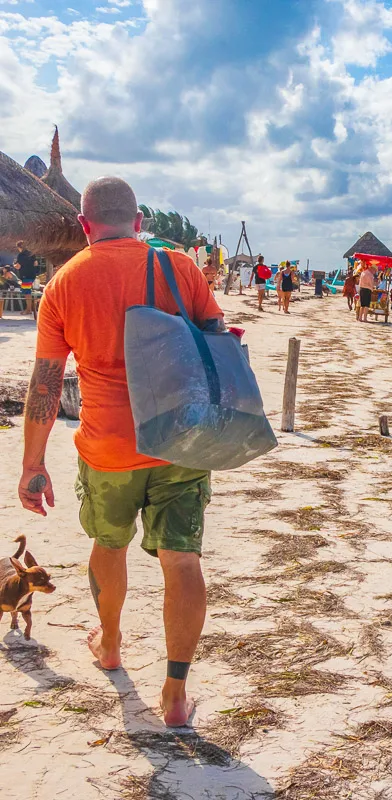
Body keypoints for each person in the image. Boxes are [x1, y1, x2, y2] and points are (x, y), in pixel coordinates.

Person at [17, 177, 224, 728]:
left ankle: (109, 645)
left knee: (109, 544)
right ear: (138, 221)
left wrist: (32, 465)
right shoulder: (179, 267)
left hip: (108, 448)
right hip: (181, 440)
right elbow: (217, 333)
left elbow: (44, 383)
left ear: (85, 225)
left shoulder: (64, 283)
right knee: (182, 559)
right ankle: (175, 694)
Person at [14, 241, 37, 315]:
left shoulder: (21, 255)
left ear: (19, 247)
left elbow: (18, 266)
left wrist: (14, 265)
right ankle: (28, 309)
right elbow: (36, 263)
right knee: (28, 291)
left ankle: (29, 309)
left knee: (27, 293)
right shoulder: (31, 254)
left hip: (25, 276)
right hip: (32, 275)